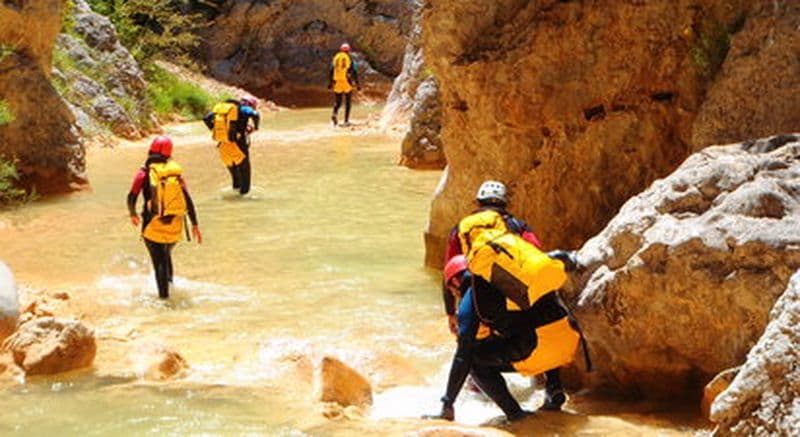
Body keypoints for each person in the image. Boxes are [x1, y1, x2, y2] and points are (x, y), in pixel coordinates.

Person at [426, 252, 582, 422]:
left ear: (456, 282)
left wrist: (447, 402)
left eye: (453, 292)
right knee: (538, 325)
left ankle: (515, 414)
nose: (457, 297)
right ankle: (554, 389)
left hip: (541, 348)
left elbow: (462, 356)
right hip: (569, 340)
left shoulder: (474, 296)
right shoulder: (513, 275)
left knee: (474, 361)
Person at [127, 136, 202, 299]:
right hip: (175, 226)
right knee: (166, 255)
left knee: (159, 260)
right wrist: (195, 224)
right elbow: (187, 198)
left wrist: (132, 214)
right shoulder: (175, 174)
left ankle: (164, 299)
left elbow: (131, 196)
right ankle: (170, 288)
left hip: (153, 225)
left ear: (150, 151)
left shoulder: (144, 173)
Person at [204, 96, 258, 195]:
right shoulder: (243, 108)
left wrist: (214, 129)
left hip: (223, 147)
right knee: (245, 179)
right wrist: (256, 127)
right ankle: (243, 199)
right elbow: (255, 114)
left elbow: (206, 118)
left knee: (236, 179)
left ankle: (235, 193)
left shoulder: (222, 110)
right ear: (250, 104)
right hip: (237, 147)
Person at [328, 42, 359, 127]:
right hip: (346, 82)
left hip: (337, 82)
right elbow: (354, 71)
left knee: (338, 101)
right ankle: (346, 121)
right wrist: (357, 84)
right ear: (348, 51)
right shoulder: (349, 58)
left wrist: (330, 82)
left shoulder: (336, 58)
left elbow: (331, 70)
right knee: (348, 101)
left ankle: (334, 114)